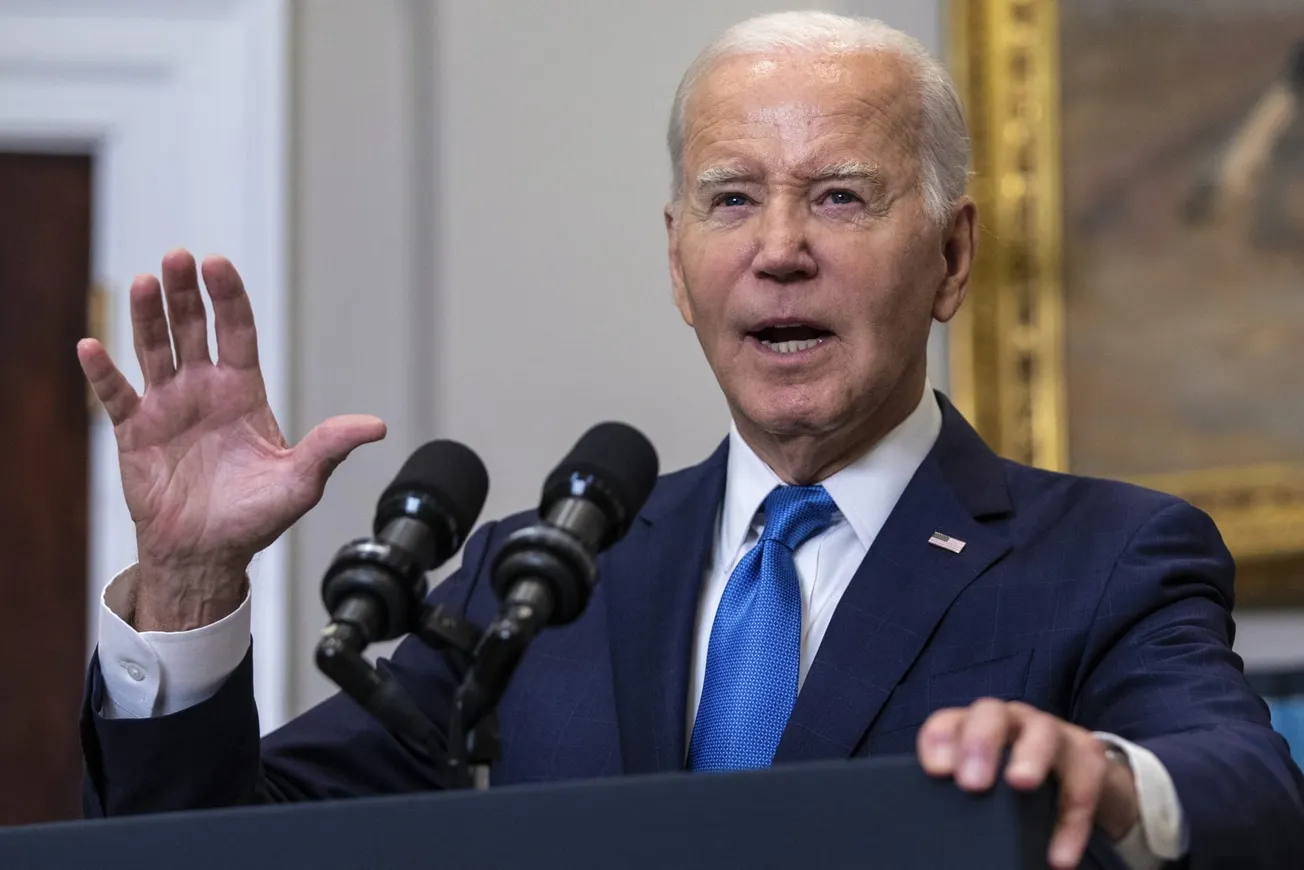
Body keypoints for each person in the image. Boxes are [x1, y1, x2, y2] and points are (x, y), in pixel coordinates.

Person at [76, 12, 1302, 869]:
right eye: (730, 199)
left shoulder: (1105, 555)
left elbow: (1249, 795)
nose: (777, 248)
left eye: (838, 195)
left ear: (951, 254)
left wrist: (1096, 777)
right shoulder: (545, 577)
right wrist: (187, 584)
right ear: (677, 263)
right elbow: (225, 844)